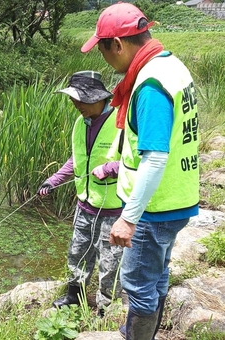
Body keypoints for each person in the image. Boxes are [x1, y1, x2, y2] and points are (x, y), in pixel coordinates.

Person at [81, 2, 199, 340]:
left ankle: (137, 336)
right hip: (178, 198)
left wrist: (129, 217)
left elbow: (156, 157)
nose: (103, 58)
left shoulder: (149, 85)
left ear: (117, 44)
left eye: (102, 49)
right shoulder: (171, 65)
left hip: (155, 207)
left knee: (137, 283)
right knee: (158, 274)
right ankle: (142, 332)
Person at [37, 70, 124, 316]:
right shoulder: (80, 123)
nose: (76, 105)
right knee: (78, 252)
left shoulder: (120, 121)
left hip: (113, 210)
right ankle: (74, 296)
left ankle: (106, 308)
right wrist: (53, 180)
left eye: (81, 100)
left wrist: (110, 168)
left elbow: (136, 161)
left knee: (109, 262)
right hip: (85, 205)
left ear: (99, 98)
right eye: (74, 100)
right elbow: (76, 159)